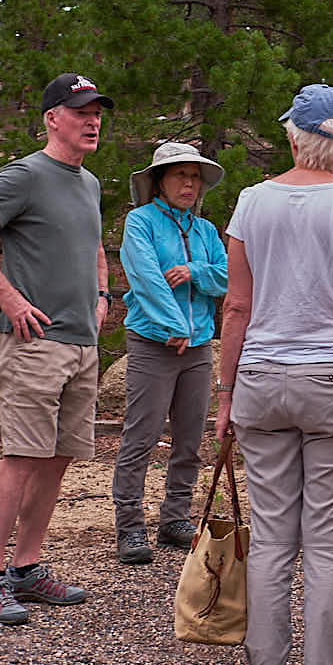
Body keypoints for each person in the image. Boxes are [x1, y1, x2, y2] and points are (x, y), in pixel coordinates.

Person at [215, 84, 333, 665]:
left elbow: (236, 308)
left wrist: (225, 391)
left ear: (291, 135)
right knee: (326, 542)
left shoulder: (249, 202)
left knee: (270, 541)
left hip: (262, 380)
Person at [0, 73, 113, 625]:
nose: (93, 120)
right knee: (22, 457)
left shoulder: (87, 183)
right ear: (53, 118)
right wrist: (9, 297)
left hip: (81, 343)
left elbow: (92, 244)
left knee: (59, 457)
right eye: (81, 112)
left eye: (97, 112)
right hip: (32, 342)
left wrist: (101, 293)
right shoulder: (25, 174)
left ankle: (27, 567)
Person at [112, 142, 227, 564]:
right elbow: (145, 279)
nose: (189, 183)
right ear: (160, 180)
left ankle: (175, 517)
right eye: (181, 175)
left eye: (195, 177)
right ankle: (130, 527)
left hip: (196, 348)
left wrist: (195, 272)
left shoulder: (205, 231)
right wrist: (173, 326)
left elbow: (226, 277)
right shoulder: (140, 223)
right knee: (141, 436)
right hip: (152, 344)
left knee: (190, 437)